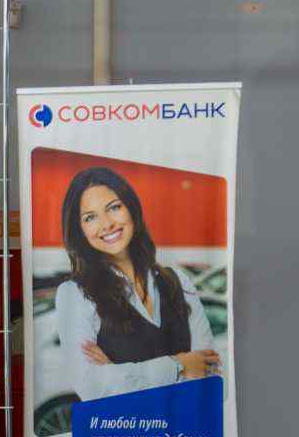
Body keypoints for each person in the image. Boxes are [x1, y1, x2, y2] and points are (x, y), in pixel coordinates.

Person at [53, 167, 219, 401]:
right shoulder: (75, 294)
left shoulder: (177, 281)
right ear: (79, 230)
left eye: (114, 207)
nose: (107, 224)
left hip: (184, 425)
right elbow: (92, 387)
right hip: (126, 425)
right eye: (90, 217)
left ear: (131, 208)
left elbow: (211, 376)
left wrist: (119, 374)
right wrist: (179, 365)